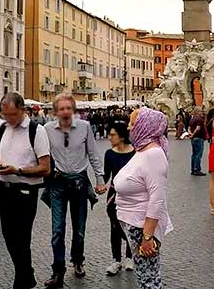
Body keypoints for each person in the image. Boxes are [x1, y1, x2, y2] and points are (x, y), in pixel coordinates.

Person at [42, 93, 106, 288]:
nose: (65, 112)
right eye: (61, 109)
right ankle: (57, 270)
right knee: (57, 230)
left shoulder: (85, 128)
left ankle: (78, 260)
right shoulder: (46, 130)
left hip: (79, 181)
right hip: (58, 183)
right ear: (56, 112)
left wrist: (100, 178)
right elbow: (40, 154)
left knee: (79, 229)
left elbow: (93, 154)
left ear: (73, 110)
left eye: (69, 108)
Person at [0, 93, 52, 289]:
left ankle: (22, 281)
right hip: (3, 189)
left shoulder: (37, 130)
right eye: (5, 115)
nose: (9, 119)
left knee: (22, 238)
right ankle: (27, 275)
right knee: (9, 237)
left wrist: (17, 170)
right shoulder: (2, 128)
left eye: (13, 114)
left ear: (23, 110)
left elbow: (45, 167)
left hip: (25, 192)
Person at [113, 108, 173, 289]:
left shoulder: (153, 154)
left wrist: (148, 237)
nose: (130, 128)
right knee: (144, 276)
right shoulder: (142, 150)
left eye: (133, 123)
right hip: (134, 224)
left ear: (144, 126)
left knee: (148, 279)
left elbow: (157, 198)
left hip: (142, 227)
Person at [103, 121, 135, 276]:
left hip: (131, 196)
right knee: (115, 227)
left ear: (122, 136)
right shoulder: (109, 154)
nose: (110, 137)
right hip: (114, 196)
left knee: (130, 226)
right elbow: (106, 175)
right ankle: (116, 260)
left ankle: (130, 257)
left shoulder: (135, 153)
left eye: (113, 134)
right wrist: (100, 185)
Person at [188, 107, 207, 176]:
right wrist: (193, 135)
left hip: (193, 139)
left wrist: (190, 135)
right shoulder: (199, 119)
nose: (202, 112)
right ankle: (197, 169)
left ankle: (193, 169)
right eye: (201, 111)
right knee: (198, 154)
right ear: (197, 112)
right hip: (199, 138)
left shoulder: (192, 119)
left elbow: (189, 128)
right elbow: (198, 129)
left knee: (194, 154)